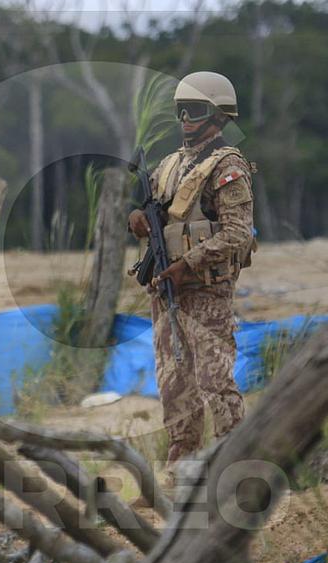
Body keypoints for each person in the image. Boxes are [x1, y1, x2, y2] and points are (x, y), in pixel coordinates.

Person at [128, 71, 256, 463]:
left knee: (214, 381)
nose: (185, 118)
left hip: (205, 291)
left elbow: (238, 233)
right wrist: (135, 219)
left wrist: (189, 264)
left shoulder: (227, 166)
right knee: (173, 383)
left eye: (195, 110)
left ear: (219, 116)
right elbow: (154, 217)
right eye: (181, 110)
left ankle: (233, 469)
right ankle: (181, 468)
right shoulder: (168, 165)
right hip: (166, 289)